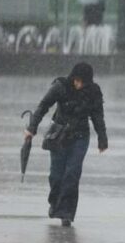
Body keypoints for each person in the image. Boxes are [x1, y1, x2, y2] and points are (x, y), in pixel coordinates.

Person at [24, 63, 108, 227]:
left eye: (82, 82)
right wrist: (31, 128)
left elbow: (98, 117)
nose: (79, 85)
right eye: (77, 81)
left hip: (80, 137)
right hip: (59, 136)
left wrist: (102, 139)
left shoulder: (93, 92)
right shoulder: (60, 86)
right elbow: (43, 106)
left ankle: (66, 213)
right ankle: (55, 203)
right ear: (72, 78)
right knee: (56, 175)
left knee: (72, 173)